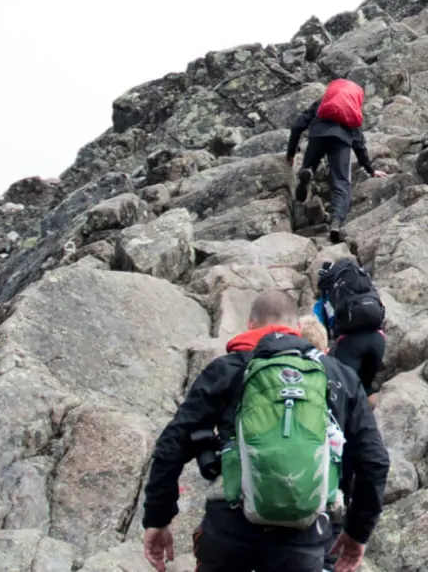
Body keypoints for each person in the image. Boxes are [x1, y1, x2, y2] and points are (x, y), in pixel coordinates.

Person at [142, 289, 390, 572]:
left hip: (229, 533)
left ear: (250, 325)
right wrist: (357, 533)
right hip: (305, 538)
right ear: (297, 328)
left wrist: (158, 519)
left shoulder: (228, 369)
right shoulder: (337, 375)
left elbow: (172, 444)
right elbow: (374, 460)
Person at [286, 79, 384, 242]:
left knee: (308, 166)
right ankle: (336, 222)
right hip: (342, 140)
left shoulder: (322, 103)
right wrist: (371, 169)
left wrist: (291, 152)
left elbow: (297, 126)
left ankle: (307, 173)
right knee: (341, 182)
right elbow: (359, 145)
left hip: (317, 134)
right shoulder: (350, 111)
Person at [312, 259, 387, 403]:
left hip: (350, 344)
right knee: (365, 387)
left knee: (341, 391)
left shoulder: (326, 299)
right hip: (378, 340)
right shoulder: (365, 287)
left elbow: (319, 332)